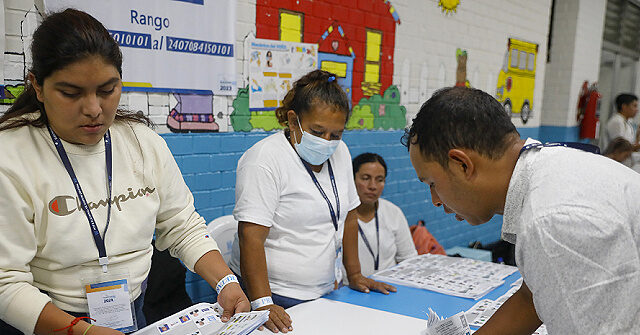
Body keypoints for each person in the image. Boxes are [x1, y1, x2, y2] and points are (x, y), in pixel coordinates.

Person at [0, 9, 249, 335]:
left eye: (107, 90)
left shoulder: (142, 142)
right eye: (71, 93)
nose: (93, 109)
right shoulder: (12, 156)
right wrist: (84, 331)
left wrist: (227, 282)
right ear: (38, 86)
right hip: (46, 318)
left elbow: (183, 226)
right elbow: (6, 282)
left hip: (131, 310)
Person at [405, 86, 640, 334]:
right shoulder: (552, 163)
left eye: (432, 184)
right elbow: (531, 300)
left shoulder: (551, 219)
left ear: (463, 164)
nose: (435, 201)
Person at [229, 69, 395, 334]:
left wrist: (354, 275)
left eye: (336, 134)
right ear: (293, 122)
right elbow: (251, 236)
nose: (327, 142)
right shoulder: (264, 159)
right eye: (317, 132)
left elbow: (349, 215)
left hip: (326, 289)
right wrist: (262, 303)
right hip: (277, 297)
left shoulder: (340, 152)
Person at [349, 153, 417, 278]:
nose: (372, 186)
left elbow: (409, 259)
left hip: (388, 287)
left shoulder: (393, 212)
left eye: (380, 180)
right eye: (365, 178)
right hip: (351, 289)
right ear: (352, 179)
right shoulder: (340, 215)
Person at [605, 93, 640, 165]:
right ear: (624, 106)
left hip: (625, 162)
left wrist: (637, 136)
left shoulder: (628, 122)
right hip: (614, 163)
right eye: (634, 106)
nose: (637, 110)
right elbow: (620, 148)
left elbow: (631, 144)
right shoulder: (616, 122)